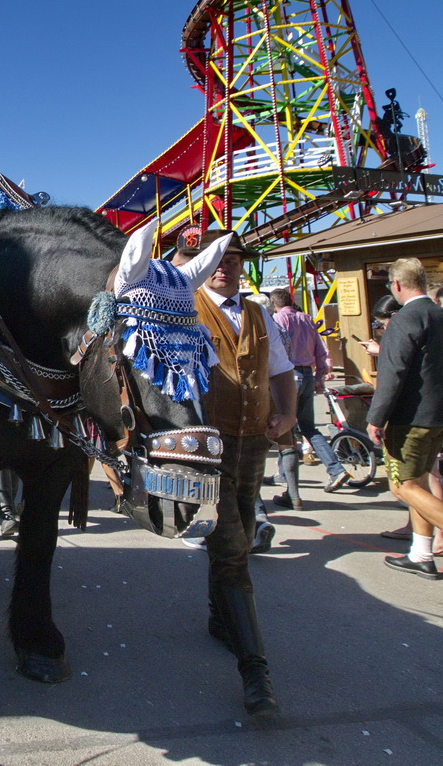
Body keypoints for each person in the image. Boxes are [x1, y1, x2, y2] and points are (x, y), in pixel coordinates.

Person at [183, 230, 296, 717]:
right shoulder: (183, 309)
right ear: (202, 265)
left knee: (243, 531)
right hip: (210, 442)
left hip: (253, 440)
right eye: (218, 260)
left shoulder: (258, 311)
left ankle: (218, 616)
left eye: (234, 260)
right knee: (232, 546)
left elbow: (281, 369)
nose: (227, 268)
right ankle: (256, 671)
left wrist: (289, 413)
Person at [364, 258, 443, 579]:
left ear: (396, 285)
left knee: (402, 486)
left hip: (410, 417)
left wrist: (376, 417)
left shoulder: (404, 319)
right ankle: (421, 553)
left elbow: (393, 372)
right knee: (420, 482)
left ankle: (424, 549)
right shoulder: (438, 314)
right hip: (437, 416)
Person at [268, 287, 349, 507]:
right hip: (306, 373)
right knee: (308, 427)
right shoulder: (305, 318)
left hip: (288, 375)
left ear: (273, 303)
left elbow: (278, 351)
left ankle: (289, 485)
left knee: (286, 431)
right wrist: (321, 374)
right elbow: (321, 350)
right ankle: (335, 468)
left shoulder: (278, 319)